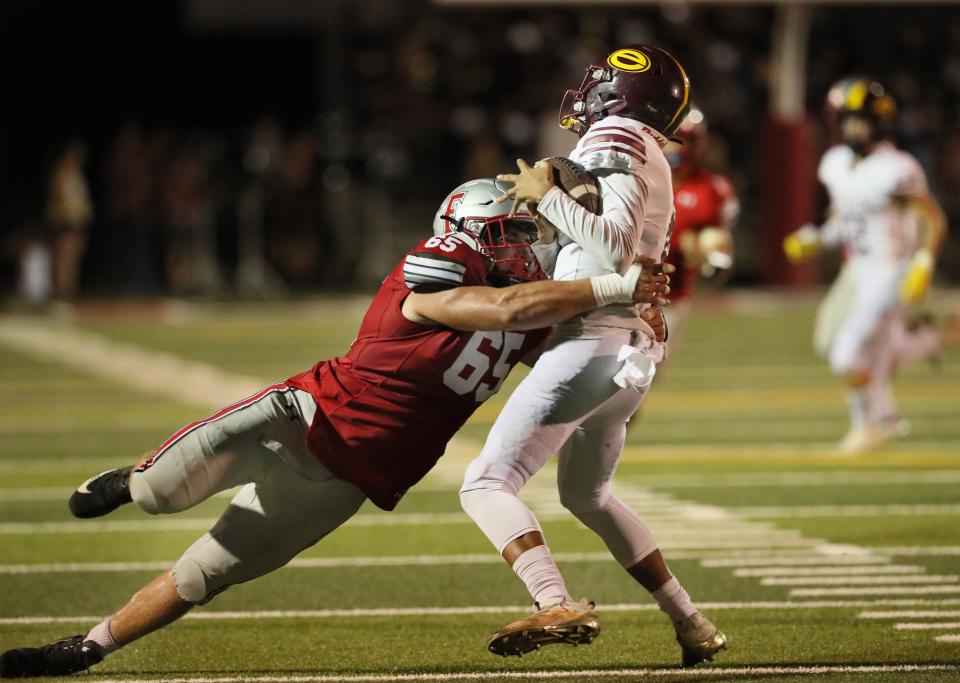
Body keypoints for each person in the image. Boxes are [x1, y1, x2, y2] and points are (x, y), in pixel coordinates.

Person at [0, 178, 671, 679]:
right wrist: (614, 286)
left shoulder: (528, 315)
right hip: (298, 420)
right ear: (462, 235)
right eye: (508, 234)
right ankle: (130, 479)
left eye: (525, 235)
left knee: (206, 573)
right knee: (156, 495)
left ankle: (89, 646)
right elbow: (503, 305)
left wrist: (638, 328)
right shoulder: (437, 275)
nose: (525, 247)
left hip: (349, 478)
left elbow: (568, 352)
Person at [458, 45, 726, 667]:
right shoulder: (647, 147)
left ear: (625, 95)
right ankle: (690, 622)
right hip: (629, 352)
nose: (588, 94)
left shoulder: (616, 133)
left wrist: (543, 194)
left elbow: (611, 248)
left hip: (594, 341)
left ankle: (554, 599)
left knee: (486, 483)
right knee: (590, 497)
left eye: (601, 84)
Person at [783, 77, 948, 454]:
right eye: (849, 119)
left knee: (848, 355)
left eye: (861, 118)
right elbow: (843, 217)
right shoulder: (836, 163)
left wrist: (923, 262)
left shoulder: (897, 167)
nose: (855, 127)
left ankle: (868, 426)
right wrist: (817, 238)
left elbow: (933, 220)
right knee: (834, 343)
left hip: (891, 269)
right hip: (856, 269)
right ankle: (920, 345)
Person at [661, 105, 738, 348]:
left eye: (687, 141)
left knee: (643, 374)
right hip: (620, 289)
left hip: (669, 296)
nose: (678, 149)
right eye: (675, 141)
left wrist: (710, 256)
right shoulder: (639, 180)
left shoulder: (712, 188)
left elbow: (717, 243)